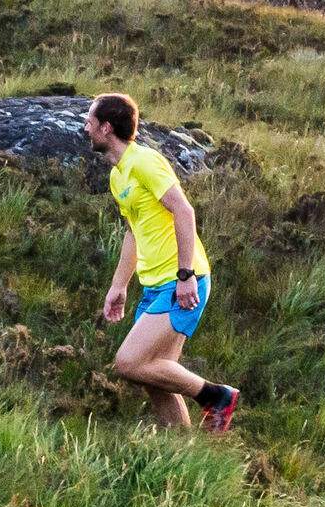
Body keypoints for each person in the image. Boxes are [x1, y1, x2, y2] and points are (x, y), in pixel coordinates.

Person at [86, 91, 240, 433]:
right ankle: (183, 453)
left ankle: (216, 396)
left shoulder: (145, 162)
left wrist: (185, 275)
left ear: (107, 128)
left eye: (90, 122)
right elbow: (133, 231)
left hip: (182, 280)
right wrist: (119, 285)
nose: (86, 128)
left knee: (128, 362)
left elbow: (184, 211)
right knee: (156, 377)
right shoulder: (118, 176)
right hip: (154, 285)